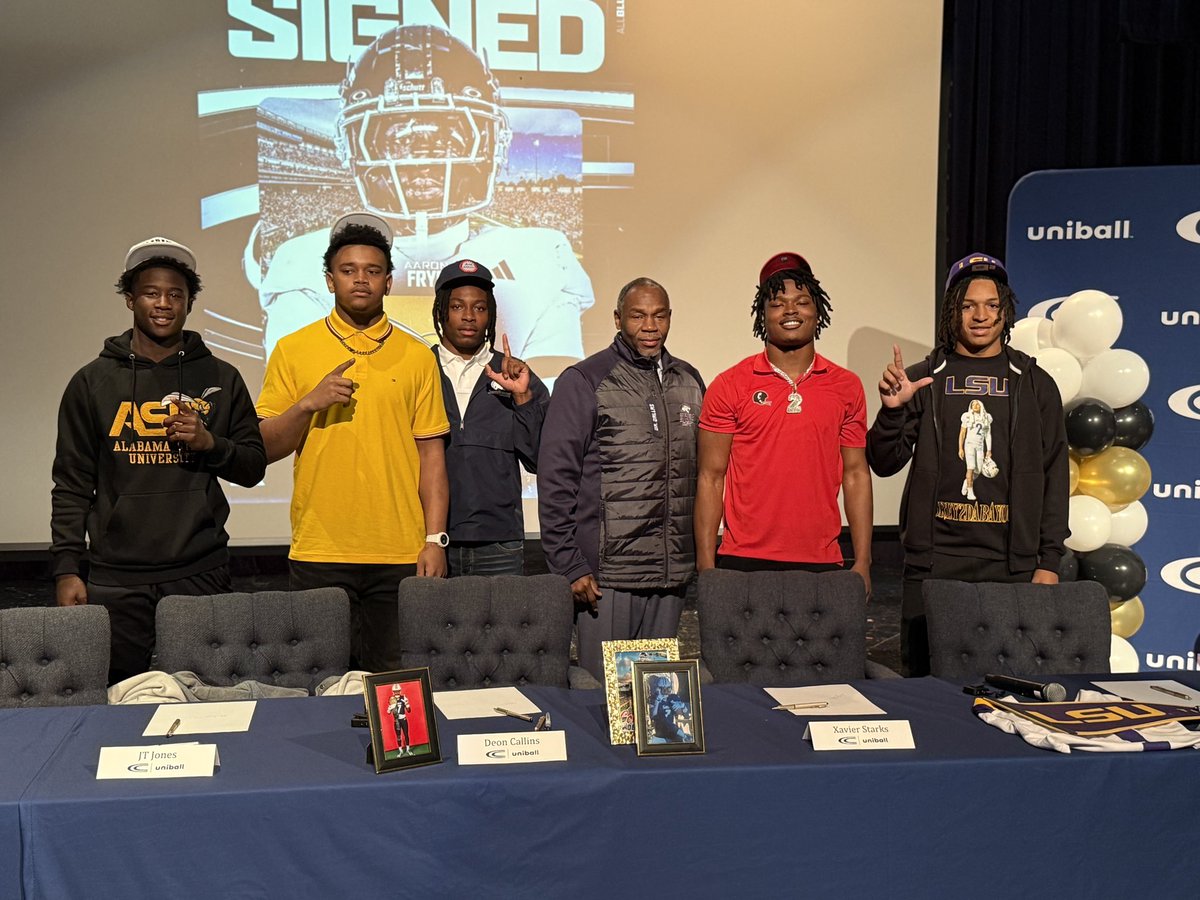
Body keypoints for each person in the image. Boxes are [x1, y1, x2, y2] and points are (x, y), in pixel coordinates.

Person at [254, 23, 594, 365]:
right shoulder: (302, 264)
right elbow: (299, 393)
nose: (423, 159)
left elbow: (549, 398)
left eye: (446, 136)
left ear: (493, 140)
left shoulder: (542, 257)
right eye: (398, 138)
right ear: (353, 145)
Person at [51, 237, 266, 684]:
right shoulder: (91, 382)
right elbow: (72, 483)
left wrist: (211, 444)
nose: (163, 304)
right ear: (130, 300)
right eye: (151, 293)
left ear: (189, 303)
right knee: (118, 700)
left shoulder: (221, 377)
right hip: (115, 578)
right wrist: (68, 567)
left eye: (176, 294)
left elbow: (252, 467)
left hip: (199, 571)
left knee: (210, 700)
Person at [256, 212, 450, 672]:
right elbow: (265, 447)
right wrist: (308, 404)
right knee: (319, 688)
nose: (360, 280)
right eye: (348, 270)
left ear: (388, 282)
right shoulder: (293, 348)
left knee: (399, 694)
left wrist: (435, 539)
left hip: (401, 554)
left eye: (372, 270)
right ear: (329, 280)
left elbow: (432, 458)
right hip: (320, 550)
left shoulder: (418, 356)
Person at [867, 252, 1069, 676]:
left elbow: (1054, 478)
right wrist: (891, 411)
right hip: (934, 565)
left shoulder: (1034, 383)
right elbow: (883, 462)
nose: (980, 315)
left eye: (991, 305)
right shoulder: (925, 377)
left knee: (1014, 691)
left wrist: (1048, 563)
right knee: (927, 695)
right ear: (952, 310)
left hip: (1013, 568)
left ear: (1005, 310)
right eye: (968, 305)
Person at [537, 278, 705, 679]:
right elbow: (556, 476)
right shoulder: (585, 379)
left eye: (659, 315)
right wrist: (569, 565)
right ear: (617, 319)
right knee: (607, 702)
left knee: (658, 707)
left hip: (670, 573)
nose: (650, 326)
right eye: (638, 316)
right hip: (608, 577)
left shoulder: (690, 380)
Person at [695, 252, 873, 592]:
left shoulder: (846, 386)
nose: (790, 310)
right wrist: (707, 568)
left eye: (802, 301)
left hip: (822, 562)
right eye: (777, 303)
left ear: (817, 309)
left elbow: (855, 474)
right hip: (743, 562)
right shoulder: (730, 384)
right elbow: (710, 477)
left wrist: (863, 561)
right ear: (762, 314)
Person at [432, 259, 549, 576]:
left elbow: (541, 460)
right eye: (457, 306)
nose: (469, 316)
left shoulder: (514, 373)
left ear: (490, 316)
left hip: (499, 542)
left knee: (501, 627)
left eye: (479, 308)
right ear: (442, 311)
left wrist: (522, 397)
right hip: (428, 541)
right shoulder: (418, 368)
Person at [388, 684, 412, 755]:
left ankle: (408, 749)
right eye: (395, 691)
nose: (396, 692)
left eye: (398, 691)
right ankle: (400, 750)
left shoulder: (403, 698)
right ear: (393, 691)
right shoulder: (391, 699)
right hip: (397, 720)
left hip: (403, 719)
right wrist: (390, 709)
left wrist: (407, 704)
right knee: (398, 736)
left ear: (400, 691)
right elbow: (388, 712)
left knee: (406, 734)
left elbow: (409, 710)